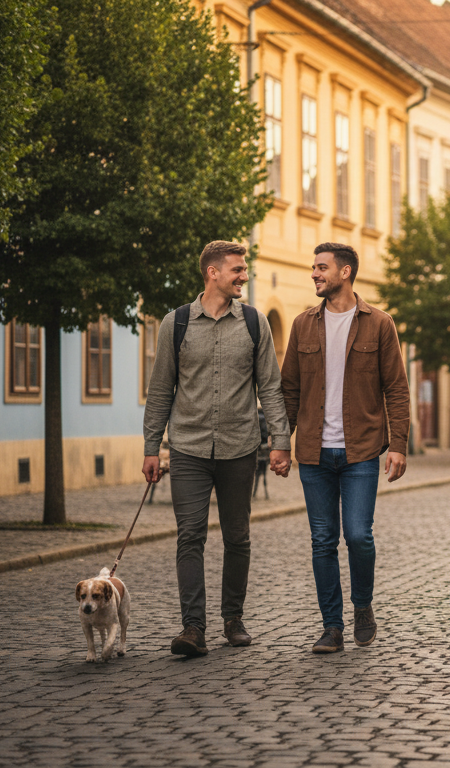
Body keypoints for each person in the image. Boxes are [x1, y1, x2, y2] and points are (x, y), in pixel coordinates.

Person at [142, 240, 291, 657]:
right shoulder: (176, 324)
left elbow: (271, 388)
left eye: (244, 270)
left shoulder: (255, 323)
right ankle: (193, 627)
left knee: (237, 537)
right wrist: (152, 446)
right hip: (187, 447)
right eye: (237, 270)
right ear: (212, 272)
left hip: (240, 447)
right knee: (189, 536)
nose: (244, 275)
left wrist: (280, 441)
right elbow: (160, 391)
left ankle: (233, 618)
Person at [281, 243, 410, 654]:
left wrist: (399, 445)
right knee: (322, 540)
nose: (315, 274)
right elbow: (288, 389)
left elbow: (397, 389)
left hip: (361, 451)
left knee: (358, 536)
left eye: (322, 267)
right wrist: (280, 443)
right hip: (315, 454)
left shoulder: (379, 324)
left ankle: (363, 606)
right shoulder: (303, 325)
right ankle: (331, 627)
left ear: (346, 272)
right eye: (314, 267)